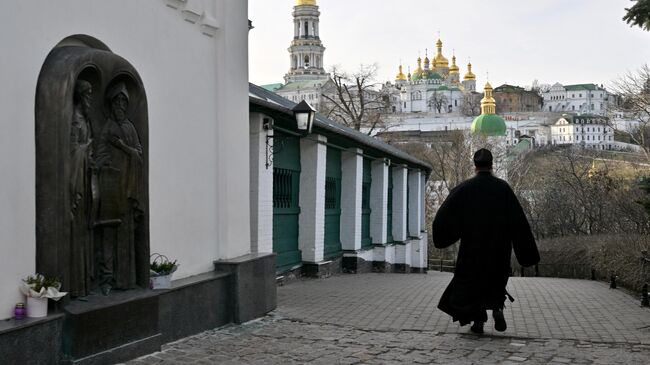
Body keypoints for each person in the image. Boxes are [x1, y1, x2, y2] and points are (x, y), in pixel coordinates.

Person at [432, 148, 539, 334]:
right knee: (495, 281)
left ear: (475, 166)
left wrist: (450, 234)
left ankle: (478, 322)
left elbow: (444, 216)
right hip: (499, 249)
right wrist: (526, 253)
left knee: (472, 285)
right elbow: (518, 222)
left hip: (472, 250)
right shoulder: (503, 188)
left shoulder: (464, 189)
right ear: (492, 166)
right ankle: (497, 308)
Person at [94, 82, 144, 295]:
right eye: (117, 101)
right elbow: (100, 155)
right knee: (108, 235)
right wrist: (107, 163)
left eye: (124, 101)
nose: (120, 105)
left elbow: (139, 152)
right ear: (111, 104)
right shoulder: (108, 127)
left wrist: (130, 151)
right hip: (112, 190)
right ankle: (107, 279)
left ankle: (127, 279)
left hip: (129, 188)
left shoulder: (131, 127)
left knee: (126, 237)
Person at [69, 79, 95, 297]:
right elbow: (73, 151)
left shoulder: (85, 119)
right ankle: (77, 286)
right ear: (81, 97)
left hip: (86, 179)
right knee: (77, 233)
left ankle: (86, 283)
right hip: (77, 181)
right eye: (88, 96)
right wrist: (85, 149)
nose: (90, 100)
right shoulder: (76, 120)